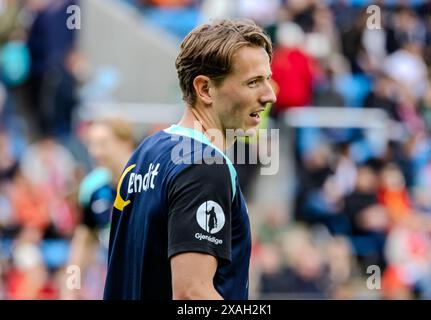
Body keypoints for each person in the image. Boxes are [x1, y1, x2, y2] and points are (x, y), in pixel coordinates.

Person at [103, 18, 276, 300]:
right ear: (205, 89)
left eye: (267, 79)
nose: (269, 96)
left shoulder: (146, 152)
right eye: (253, 82)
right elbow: (191, 294)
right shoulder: (204, 167)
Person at [63, 117, 135, 299]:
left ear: (126, 143)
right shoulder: (93, 188)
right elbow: (83, 242)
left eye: (103, 143)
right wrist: (71, 287)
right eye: (91, 144)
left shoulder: (149, 183)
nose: (95, 152)